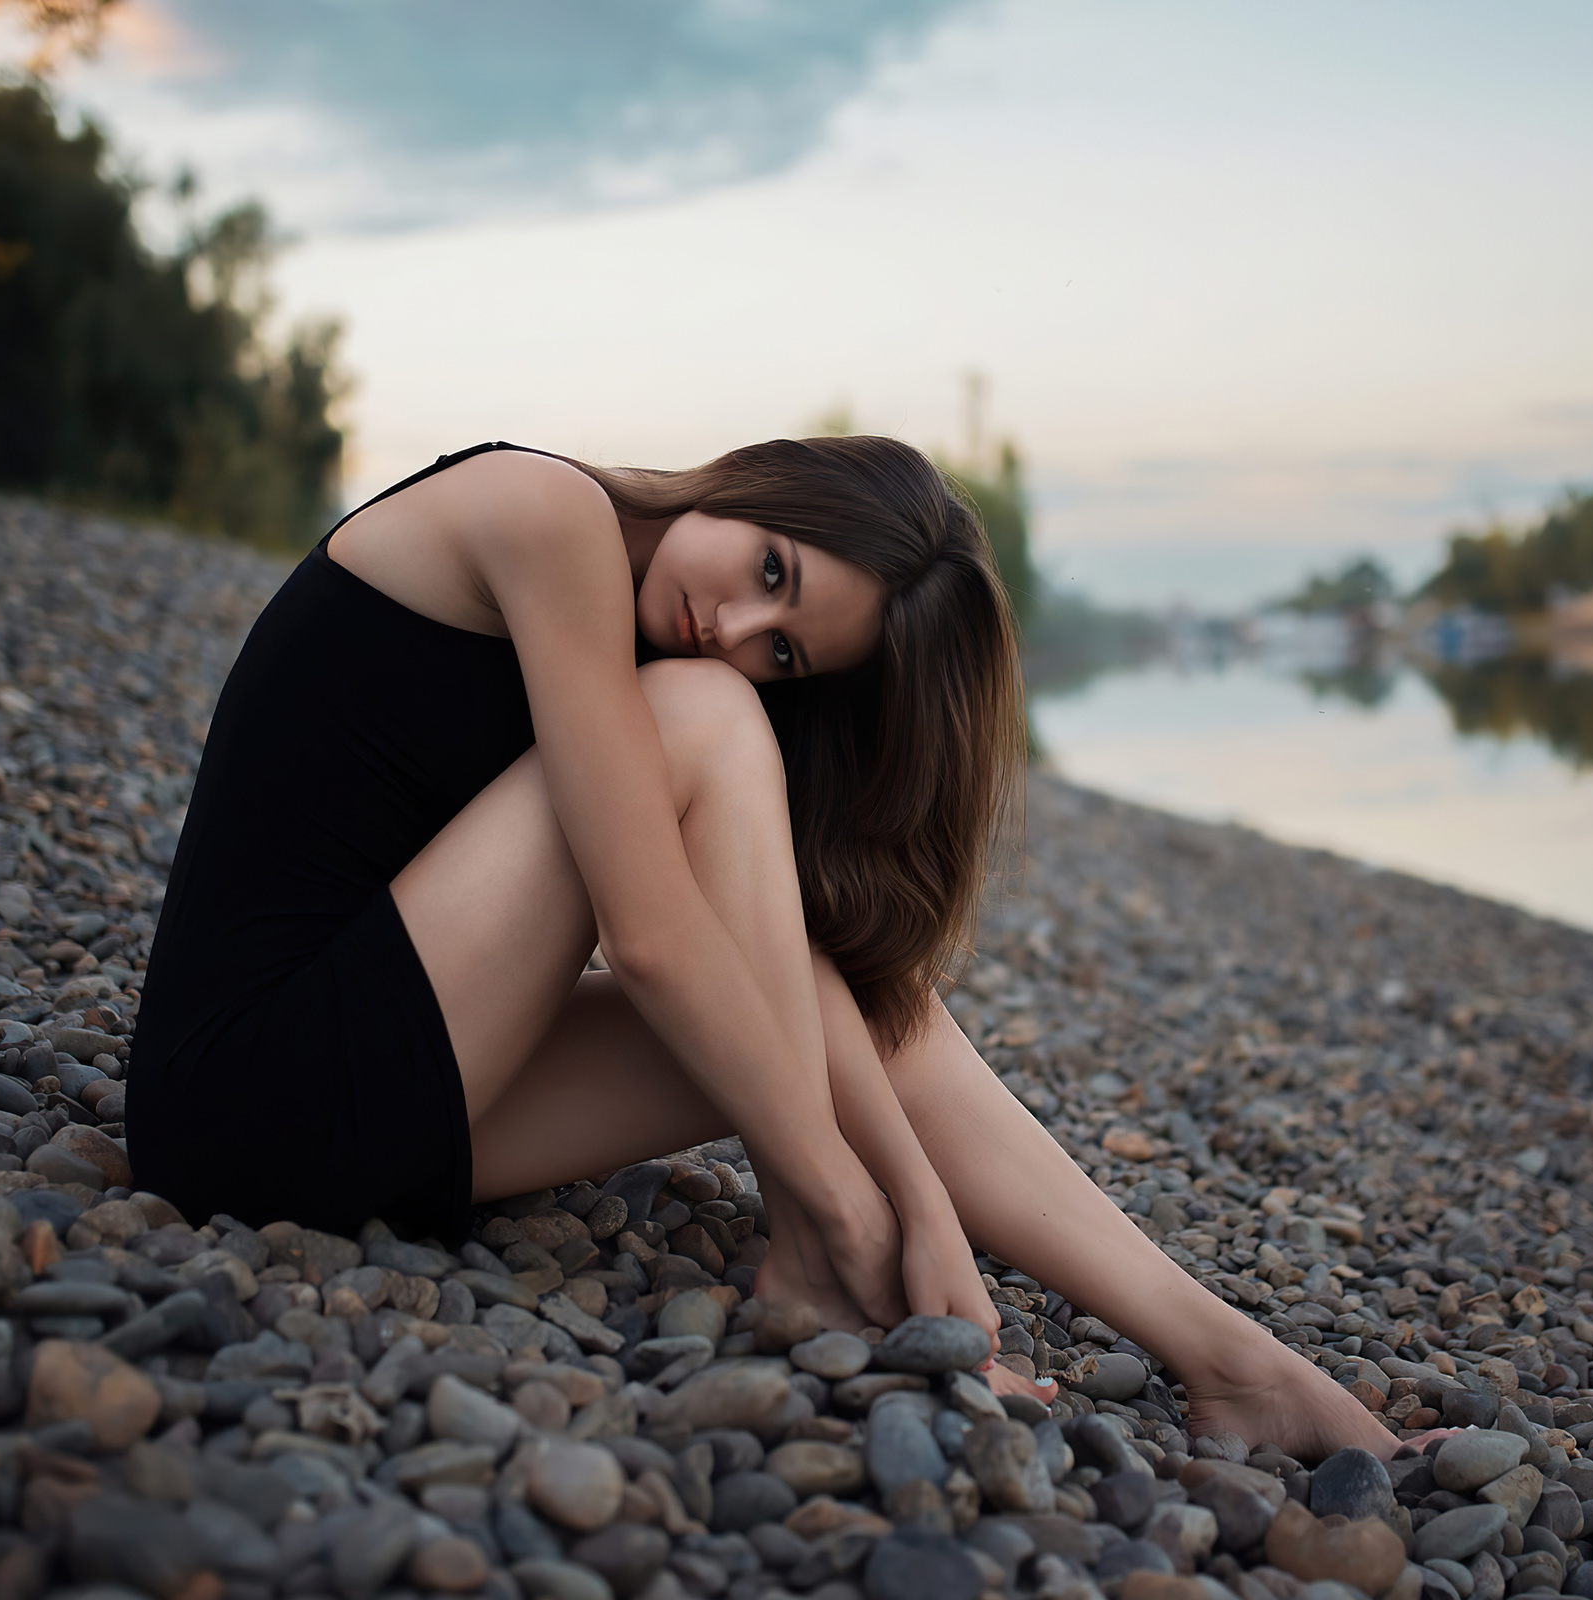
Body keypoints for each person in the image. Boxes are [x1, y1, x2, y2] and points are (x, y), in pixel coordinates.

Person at [129, 436, 1411, 1459]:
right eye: (773, 570)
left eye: (783, 645)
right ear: (760, 481)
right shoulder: (541, 512)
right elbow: (651, 941)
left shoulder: (645, 620)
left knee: (835, 976)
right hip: (253, 1087)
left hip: (391, 1103)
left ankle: (1236, 1364)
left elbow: (769, 961)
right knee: (697, 719)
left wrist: (924, 1208)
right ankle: (815, 1264)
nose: (734, 625)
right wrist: (842, 1207)